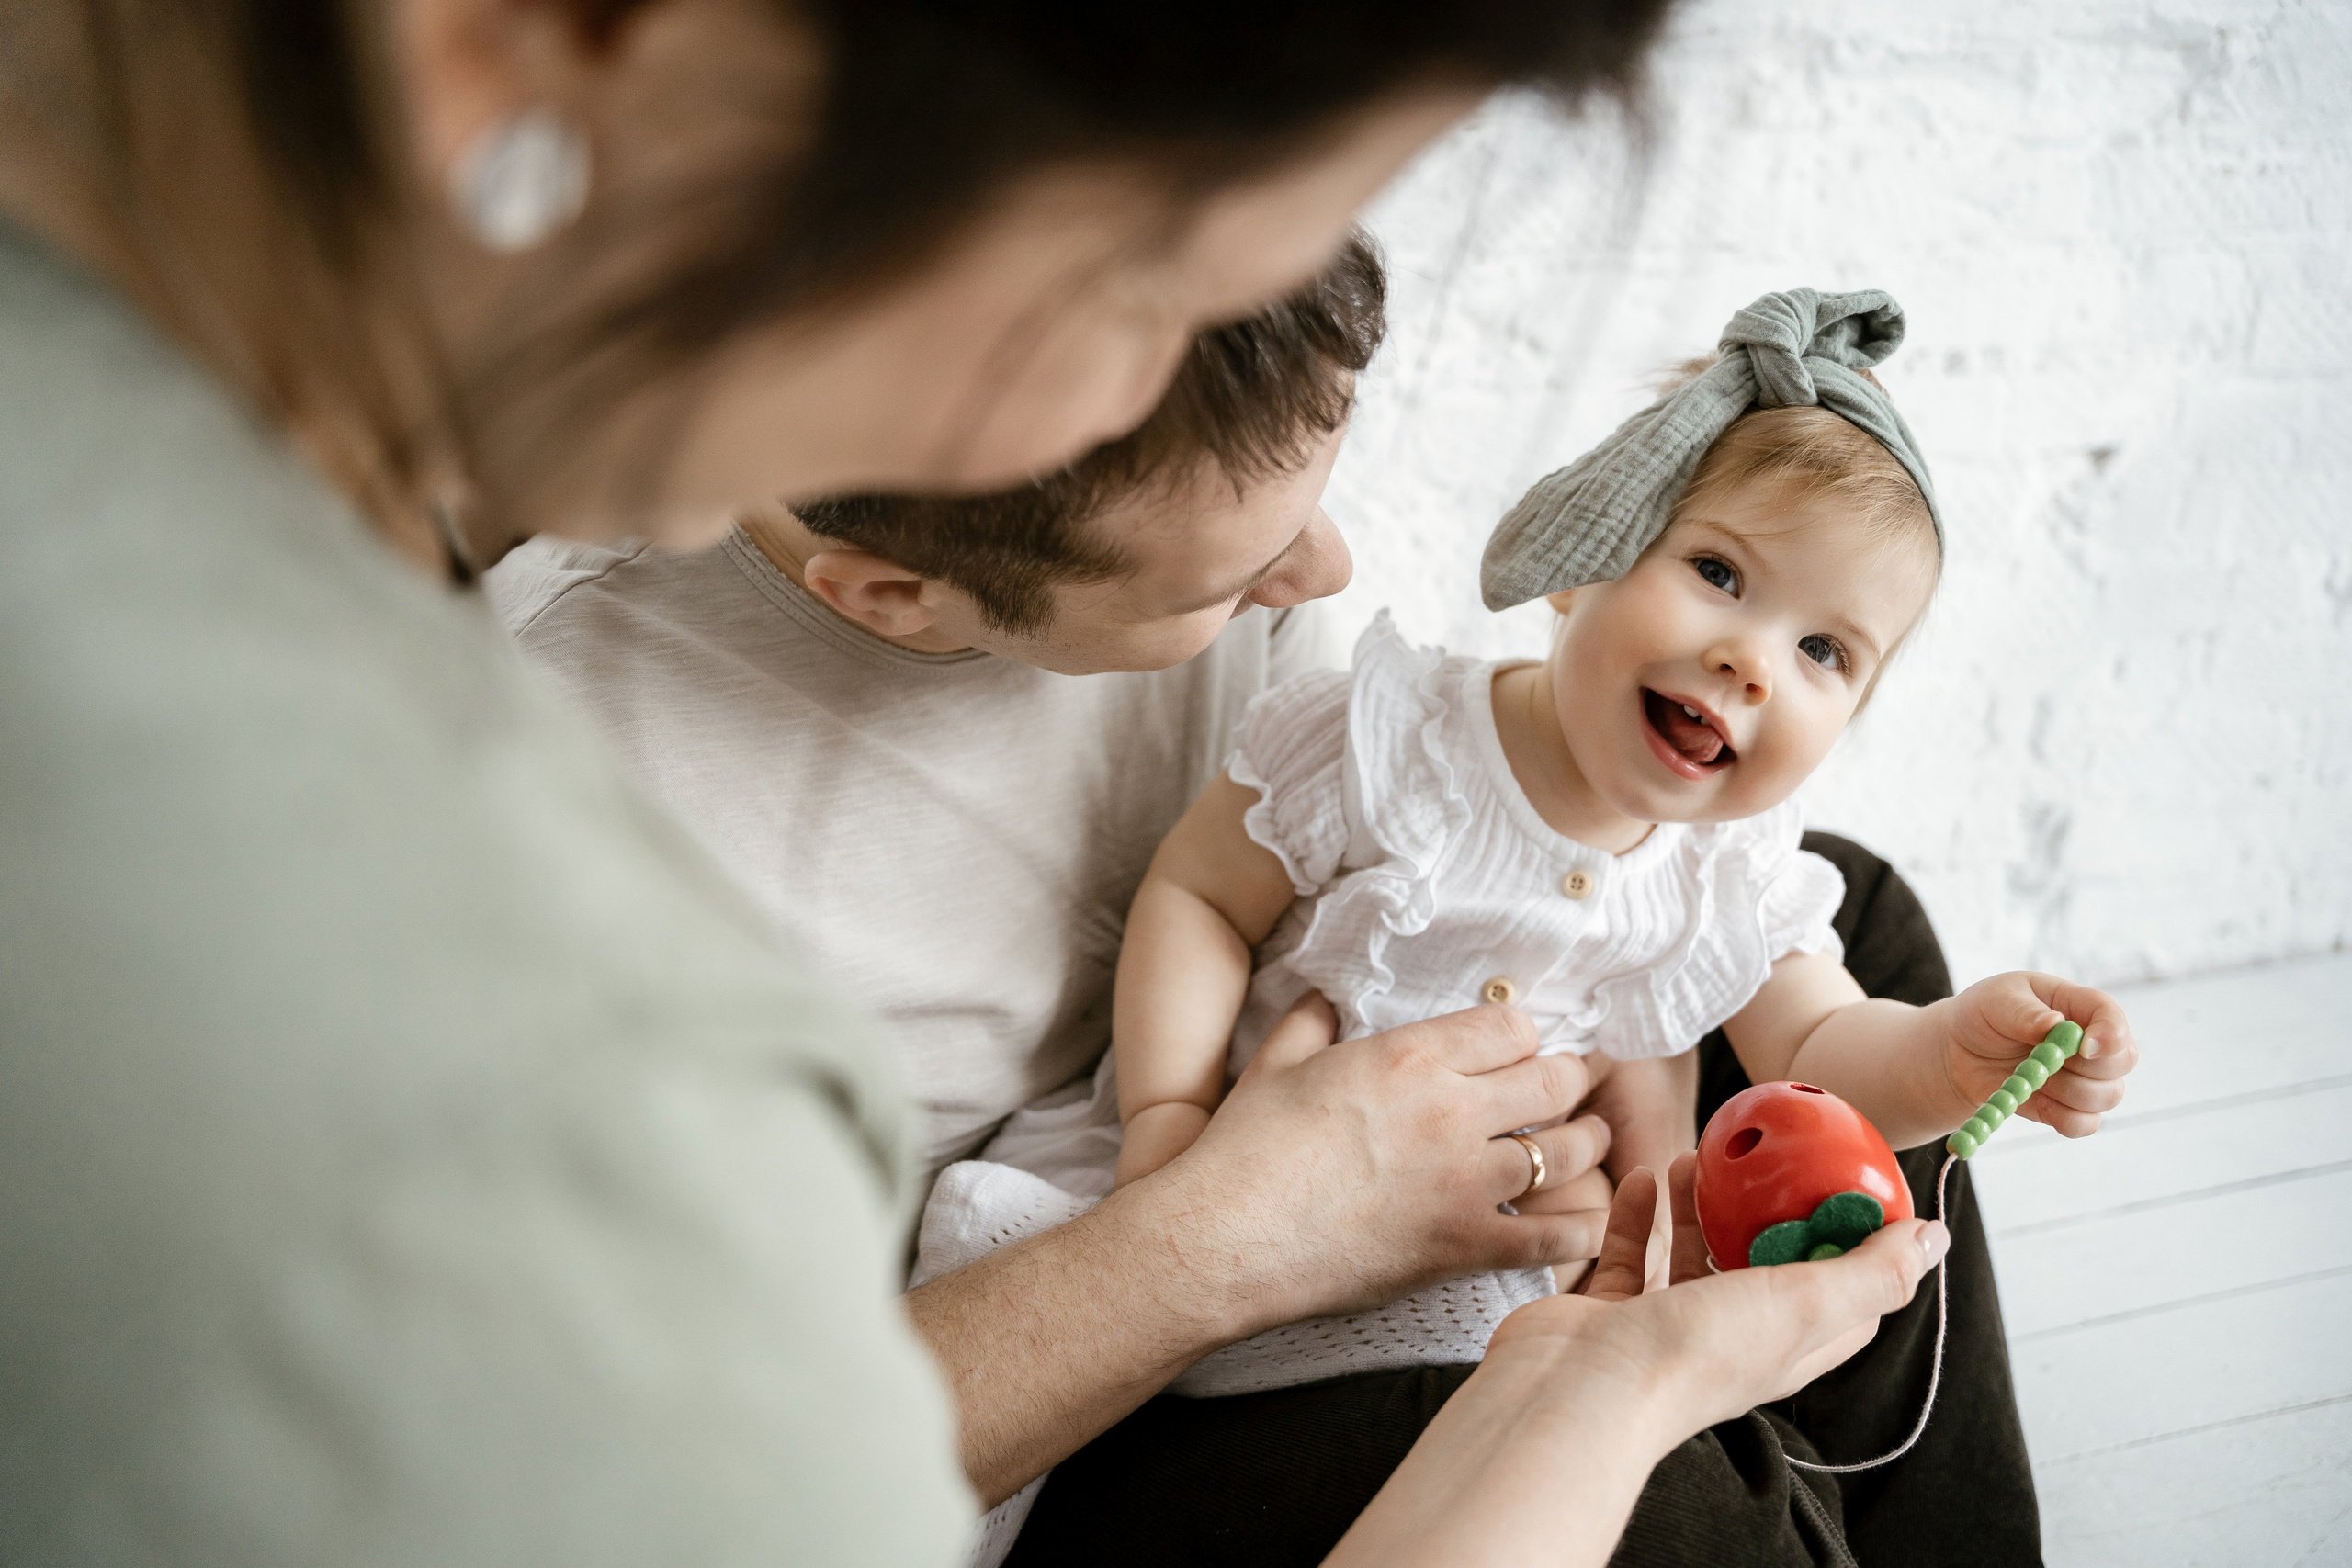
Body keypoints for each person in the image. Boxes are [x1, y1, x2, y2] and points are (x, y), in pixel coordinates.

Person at [0, 1, 1950, 1563]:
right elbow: (782, 1458)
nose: (1331, 567)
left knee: (1827, 909)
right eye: (1165, 281)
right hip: (1078, 1324)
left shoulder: (1009, 459)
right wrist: (1258, 1236)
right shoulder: (583, 1012)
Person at [497, 283, 2096, 1564]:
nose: (1327, 567)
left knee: (1842, 921)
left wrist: (1650, 1051)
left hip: (1344, 1091)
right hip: (1040, 1346)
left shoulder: (1175, 399)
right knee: (1640, 1497)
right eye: (1232, 573)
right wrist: (1226, 1220)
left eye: (1828, 652)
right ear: (888, 598)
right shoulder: (569, 837)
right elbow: (657, 1493)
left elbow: (1326, 845)